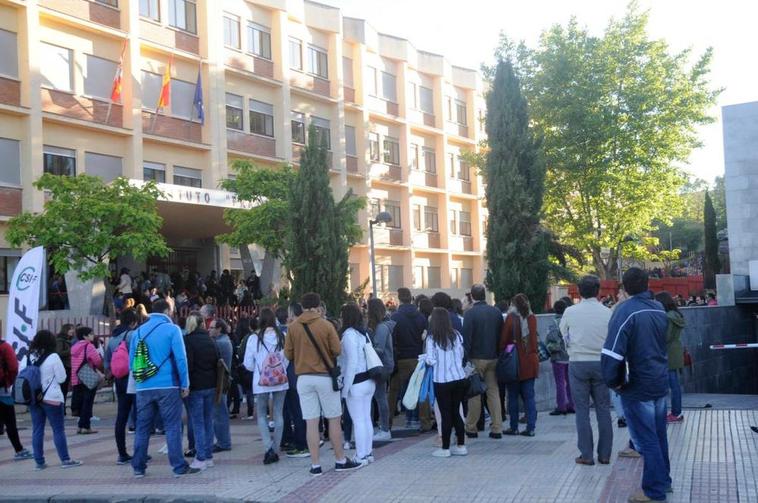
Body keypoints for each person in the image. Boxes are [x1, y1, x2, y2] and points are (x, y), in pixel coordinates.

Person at [602, 268, 672, 502]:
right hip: (659, 380)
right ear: (646, 283)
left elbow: (613, 351)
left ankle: (654, 491)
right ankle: (664, 482)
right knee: (659, 435)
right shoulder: (658, 308)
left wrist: (614, 382)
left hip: (637, 385)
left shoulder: (626, 311)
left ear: (625, 286)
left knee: (646, 439)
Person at [284, 292, 362, 476]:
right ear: (318, 305)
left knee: (311, 422)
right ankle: (340, 460)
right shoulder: (326, 325)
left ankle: (315, 465)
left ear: (302, 307)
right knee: (333, 419)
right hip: (325, 377)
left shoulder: (293, 327)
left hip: (303, 378)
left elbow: (288, 355)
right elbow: (337, 350)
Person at [130, 299, 197, 478]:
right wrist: (185, 384)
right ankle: (178, 466)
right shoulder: (172, 329)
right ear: (168, 311)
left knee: (142, 427)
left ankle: (138, 467)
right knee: (172, 426)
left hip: (143, 386)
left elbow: (132, 363)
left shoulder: (137, 332)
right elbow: (181, 359)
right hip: (168, 385)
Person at [560, 275, 613, 466]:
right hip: (601, 363)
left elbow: (563, 334)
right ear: (598, 291)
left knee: (582, 410)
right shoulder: (607, 312)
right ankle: (605, 454)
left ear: (579, 291)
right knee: (603, 409)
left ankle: (586, 454)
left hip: (578, 362)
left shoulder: (570, 311)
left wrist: (572, 350)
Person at [27, 330, 82, 470]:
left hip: (33, 398)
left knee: (37, 429)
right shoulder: (53, 357)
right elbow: (62, 378)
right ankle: (65, 460)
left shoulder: (29, 356)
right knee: (58, 429)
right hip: (51, 398)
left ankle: (39, 462)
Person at [243, 308, 289, 464]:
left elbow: (248, 364)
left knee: (262, 414)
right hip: (281, 380)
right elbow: (288, 359)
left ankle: (268, 448)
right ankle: (275, 449)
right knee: (279, 414)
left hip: (261, 382)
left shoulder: (253, 338)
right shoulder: (282, 336)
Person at [424, 307, 468, 458]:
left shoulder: (432, 338)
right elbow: (461, 354)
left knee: (445, 414)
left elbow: (430, 359)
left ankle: (445, 447)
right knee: (456, 411)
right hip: (459, 377)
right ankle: (461, 445)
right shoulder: (456, 335)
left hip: (442, 380)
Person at [462, 283, 504, 439]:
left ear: (472, 296)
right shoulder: (496, 312)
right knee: (493, 392)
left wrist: (465, 360)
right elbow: (501, 334)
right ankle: (497, 428)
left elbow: (467, 339)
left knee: (474, 393)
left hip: (475, 358)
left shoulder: (470, 314)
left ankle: (471, 427)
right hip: (493, 357)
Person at [388, 288, 430, 432]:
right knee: (420, 390)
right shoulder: (421, 317)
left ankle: (387, 423)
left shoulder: (395, 317)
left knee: (393, 391)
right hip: (418, 358)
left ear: (399, 299)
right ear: (411, 298)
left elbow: (392, 339)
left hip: (400, 359)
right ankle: (425, 422)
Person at [339, 302, 376, 465]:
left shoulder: (348, 334)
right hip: (369, 380)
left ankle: (360, 456)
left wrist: (345, 388)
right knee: (366, 418)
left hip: (356, 382)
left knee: (358, 420)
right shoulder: (364, 333)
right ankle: (367, 453)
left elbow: (351, 362)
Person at [500, 293, 539, 436]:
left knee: (513, 396)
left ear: (513, 305)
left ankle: (514, 426)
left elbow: (503, 340)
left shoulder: (511, 318)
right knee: (529, 396)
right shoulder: (532, 318)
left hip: (515, 363)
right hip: (531, 361)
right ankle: (531, 428)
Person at [183, 311, 218, 471]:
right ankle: (209, 456)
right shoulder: (210, 340)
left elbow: (188, 366)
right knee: (208, 421)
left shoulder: (188, 341)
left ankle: (201, 457)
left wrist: (185, 386)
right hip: (211, 385)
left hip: (196, 386)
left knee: (197, 422)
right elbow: (216, 361)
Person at [105, 309, 139, 464]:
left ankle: (122, 453)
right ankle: (140, 450)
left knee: (122, 416)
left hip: (119, 380)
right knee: (140, 415)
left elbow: (107, 363)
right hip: (134, 378)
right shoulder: (132, 335)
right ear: (133, 322)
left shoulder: (112, 339)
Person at [281, 302, 309, 458]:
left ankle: (301, 444)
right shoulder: (308, 326)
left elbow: (288, 353)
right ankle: (308, 440)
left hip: (294, 373)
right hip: (307, 372)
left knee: (297, 410)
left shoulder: (293, 328)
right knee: (305, 410)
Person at [655, 292, 687, 424]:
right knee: (675, 385)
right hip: (676, 350)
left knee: (672, 385)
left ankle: (676, 413)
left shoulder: (667, 317)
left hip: (667, 352)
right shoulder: (676, 315)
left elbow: (665, 337)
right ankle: (676, 412)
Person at [0, 335, 33, 460]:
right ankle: (19, 449)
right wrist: (9, 381)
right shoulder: (4, 347)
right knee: (10, 422)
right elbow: (14, 367)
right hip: (2, 390)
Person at [367, 298, 395, 442]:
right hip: (381, 365)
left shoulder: (382, 328)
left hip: (381, 366)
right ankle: (381, 428)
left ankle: (384, 429)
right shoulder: (380, 326)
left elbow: (380, 349)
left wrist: (366, 348)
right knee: (378, 397)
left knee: (380, 397)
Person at [70, 327, 103, 435]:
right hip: (87, 376)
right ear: (85, 336)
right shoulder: (89, 346)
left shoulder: (74, 347)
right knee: (87, 403)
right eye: (91, 334)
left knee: (81, 403)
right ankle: (86, 427)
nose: (93, 336)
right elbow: (97, 360)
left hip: (76, 377)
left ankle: (80, 426)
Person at [545, 299, 574, 416]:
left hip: (558, 356)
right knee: (570, 382)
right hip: (570, 356)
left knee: (560, 383)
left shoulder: (554, 322)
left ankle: (561, 406)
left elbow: (550, 337)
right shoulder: (570, 321)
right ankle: (572, 405)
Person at [210, 319, 233, 453]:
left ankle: (224, 442)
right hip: (222, 381)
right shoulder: (224, 341)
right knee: (219, 411)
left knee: (219, 412)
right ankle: (223, 441)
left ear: (219, 329)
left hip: (220, 381)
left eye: (212, 327)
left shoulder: (220, 343)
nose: (209, 329)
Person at [54, 324, 74, 415]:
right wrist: (70, 351)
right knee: (63, 389)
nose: (72, 331)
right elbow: (59, 353)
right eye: (70, 329)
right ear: (66, 330)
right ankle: (61, 410)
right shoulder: (60, 341)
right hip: (63, 367)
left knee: (65, 389)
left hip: (67, 366)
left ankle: (63, 409)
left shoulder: (68, 340)